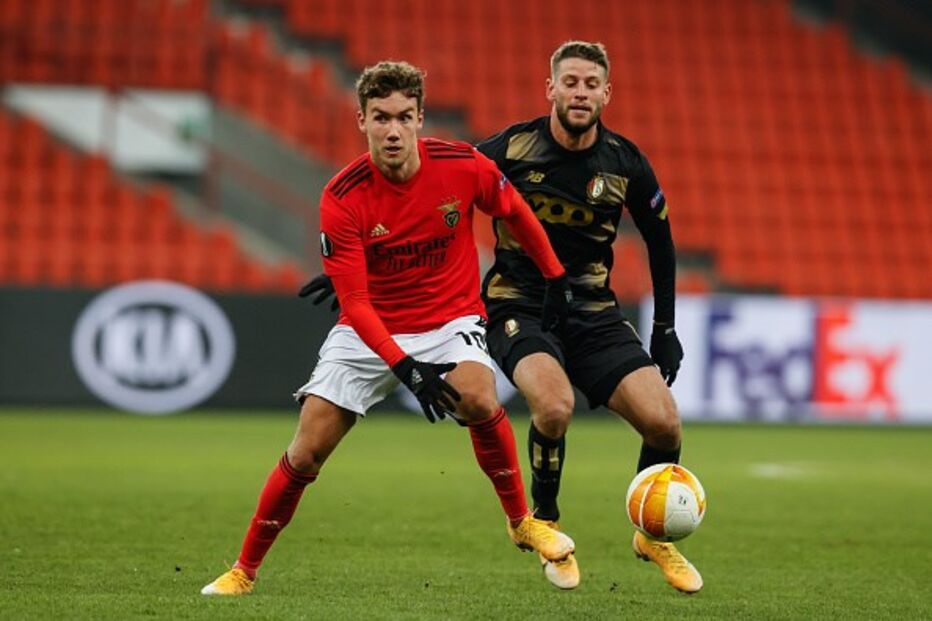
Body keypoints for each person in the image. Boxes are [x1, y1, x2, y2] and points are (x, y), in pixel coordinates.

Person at [299, 42, 700, 594]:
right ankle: (548, 525)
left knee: (665, 423)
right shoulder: (510, 147)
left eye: (590, 84)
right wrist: (358, 263)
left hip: (593, 310)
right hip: (518, 305)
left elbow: (662, 242)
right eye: (570, 82)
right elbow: (434, 187)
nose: (579, 93)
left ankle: (652, 535)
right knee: (554, 407)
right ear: (550, 89)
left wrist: (666, 328)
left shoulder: (626, 162)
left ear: (606, 93)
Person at [201, 60, 576, 596]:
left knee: (478, 396)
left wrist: (556, 276)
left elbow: (514, 210)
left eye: (404, 116)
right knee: (306, 452)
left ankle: (521, 521)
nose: (393, 130)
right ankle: (243, 570)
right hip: (370, 329)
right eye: (381, 117)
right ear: (361, 120)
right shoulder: (343, 196)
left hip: (449, 319)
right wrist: (405, 368)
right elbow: (353, 302)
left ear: (421, 117)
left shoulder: (462, 166)